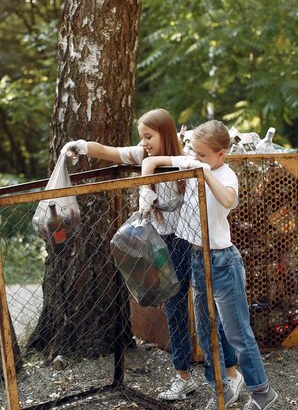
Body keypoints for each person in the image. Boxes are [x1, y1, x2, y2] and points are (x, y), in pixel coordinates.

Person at [60, 108, 241, 401]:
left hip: (188, 241)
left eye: (149, 136)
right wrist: (81, 146)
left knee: (208, 310)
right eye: (141, 137)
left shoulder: (188, 159)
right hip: (160, 244)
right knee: (173, 307)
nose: (144, 142)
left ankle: (228, 371)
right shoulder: (143, 155)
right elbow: (111, 152)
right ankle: (182, 375)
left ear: (165, 134)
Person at [139, 119, 278, 410]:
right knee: (204, 329)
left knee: (237, 330)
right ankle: (222, 387)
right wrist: (145, 191)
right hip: (196, 257)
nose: (196, 158)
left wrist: (204, 173)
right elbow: (152, 162)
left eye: (203, 155)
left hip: (222, 262)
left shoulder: (226, 175)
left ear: (220, 154)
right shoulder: (193, 162)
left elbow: (228, 199)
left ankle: (262, 392)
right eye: (194, 152)